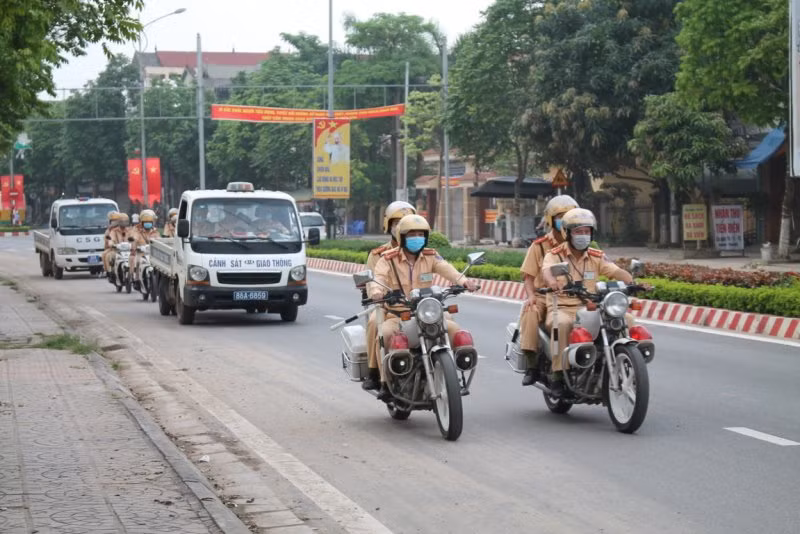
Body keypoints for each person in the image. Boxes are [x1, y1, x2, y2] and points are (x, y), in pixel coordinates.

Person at [367, 214, 479, 396]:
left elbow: (449, 270)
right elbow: (378, 278)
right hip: (397, 314)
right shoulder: (388, 259)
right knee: (385, 333)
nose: (416, 238)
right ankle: (383, 380)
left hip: (426, 312)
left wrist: (465, 281)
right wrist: (377, 292)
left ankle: (453, 376)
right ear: (402, 237)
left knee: (454, 330)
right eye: (412, 234)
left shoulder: (431, 256)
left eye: (420, 234)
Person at [541, 208, 633, 397]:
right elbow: (547, 270)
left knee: (628, 319)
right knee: (562, 325)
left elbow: (614, 271)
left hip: (592, 306)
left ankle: (628, 364)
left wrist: (633, 281)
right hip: (563, 306)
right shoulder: (555, 254)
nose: (583, 236)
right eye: (578, 231)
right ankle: (558, 375)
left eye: (586, 231)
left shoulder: (596, 255)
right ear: (567, 233)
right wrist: (552, 282)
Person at [518, 194, 579, 386]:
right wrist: (530, 297)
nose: (565, 220)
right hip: (544, 295)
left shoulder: (582, 243)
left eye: (570, 215)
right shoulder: (540, 246)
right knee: (531, 311)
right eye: (561, 216)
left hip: (576, 295)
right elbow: (528, 277)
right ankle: (532, 364)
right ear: (551, 220)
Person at [361, 201, 416, 390]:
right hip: (387, 306)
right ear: (389, 226)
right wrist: (378, 293)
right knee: (373, 323)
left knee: (447, 323)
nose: (400, 227)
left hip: (418, 306)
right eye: (396, 223)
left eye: (405, 222)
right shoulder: (379, 255)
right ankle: (374, 371)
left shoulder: (420, 251)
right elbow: (371, 282)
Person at [128, 209, 160, 286]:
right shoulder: (137, 231)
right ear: (142, 222)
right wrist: (135, 242)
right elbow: (134, 237)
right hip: (140, 253)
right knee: (138, 261)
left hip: (153, 254)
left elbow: (159, 240)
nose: (148, 224)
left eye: (149, 222)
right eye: (146, 222)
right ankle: (137, 280)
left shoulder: (155, 231)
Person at [104, 213, 129, 281]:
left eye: (125, 221)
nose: (123, 223)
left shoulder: (130, 230)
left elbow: (134, 238)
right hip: (116, 250)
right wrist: (111, 244)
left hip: (128, 250)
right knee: (107, 255)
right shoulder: (113, 231)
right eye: (122, 221)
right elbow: (111, 239)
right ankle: (110, 272)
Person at [102, 211, 122, 279]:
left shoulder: (124, 229)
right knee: (106, 255)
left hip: (125, 249)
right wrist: (109, 246)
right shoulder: (109, 230)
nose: (115, 222)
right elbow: (107, 241)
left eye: (116, 220)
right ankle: (108, 271)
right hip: (113, 248)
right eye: (113, 220)